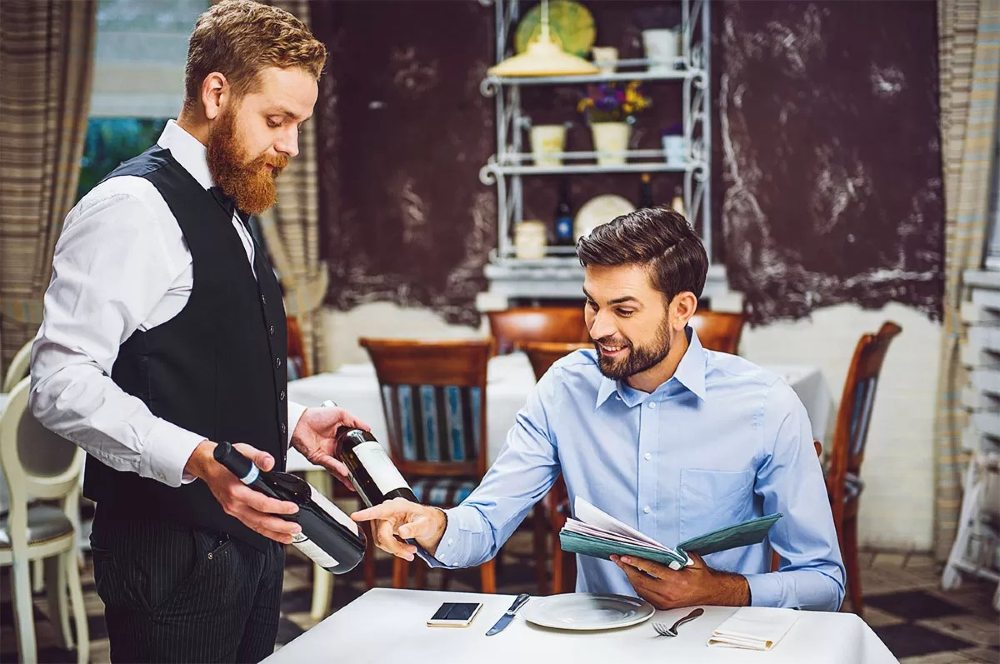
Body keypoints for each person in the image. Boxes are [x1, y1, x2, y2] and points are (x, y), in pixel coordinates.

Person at [29, 2, 364, 660]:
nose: (290, 146)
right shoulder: (130, 209)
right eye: (277, 120)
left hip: (249, 541)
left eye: (299, 124)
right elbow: (59, 384)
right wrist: (195, 459)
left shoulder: (237, 199)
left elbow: (197, 361)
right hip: (169, 550)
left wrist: (289, 421)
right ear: (217, 93)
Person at [353, 207, 846, 612]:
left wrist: (721, 591)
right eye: (592, 304)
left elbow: (824, 579)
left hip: (722, 645)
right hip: (598, 644)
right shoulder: (564, 389)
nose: (598, 327)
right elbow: (484, 524)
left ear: (682, 309)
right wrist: (435, 526)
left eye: (624, 310)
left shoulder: (765, 404)